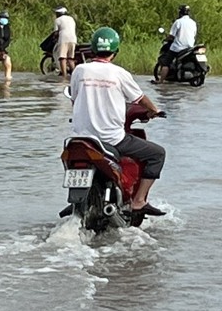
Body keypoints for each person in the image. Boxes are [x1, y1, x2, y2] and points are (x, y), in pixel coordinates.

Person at [69, 26, 167, 217]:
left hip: (80, 138)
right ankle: (139, 201)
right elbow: (139, 99)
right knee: (157, 154)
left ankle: (76, 200)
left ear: (93, 50)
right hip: (111, 139)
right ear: (115, 51)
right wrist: (154, 110)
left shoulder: (79, 71)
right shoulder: (119, 74)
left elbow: (74, 99)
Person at [153, 4, 197, 83]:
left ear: (180, 12)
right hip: (190, 48)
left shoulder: (178, 22)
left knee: (165, 62)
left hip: (178, 48)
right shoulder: (193, 23)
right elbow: (194, 35)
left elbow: (172, 36)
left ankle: (161, 81)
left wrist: (166, 38)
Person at [52, 5, 77, 78]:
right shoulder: (71, 19)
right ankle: (75, 75)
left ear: (59, 14)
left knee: (62, 58)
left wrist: (54, 38)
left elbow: (56, 33)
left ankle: (64, 76)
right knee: (70, 58)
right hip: (73, 39)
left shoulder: (58, 20)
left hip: (64, 39)